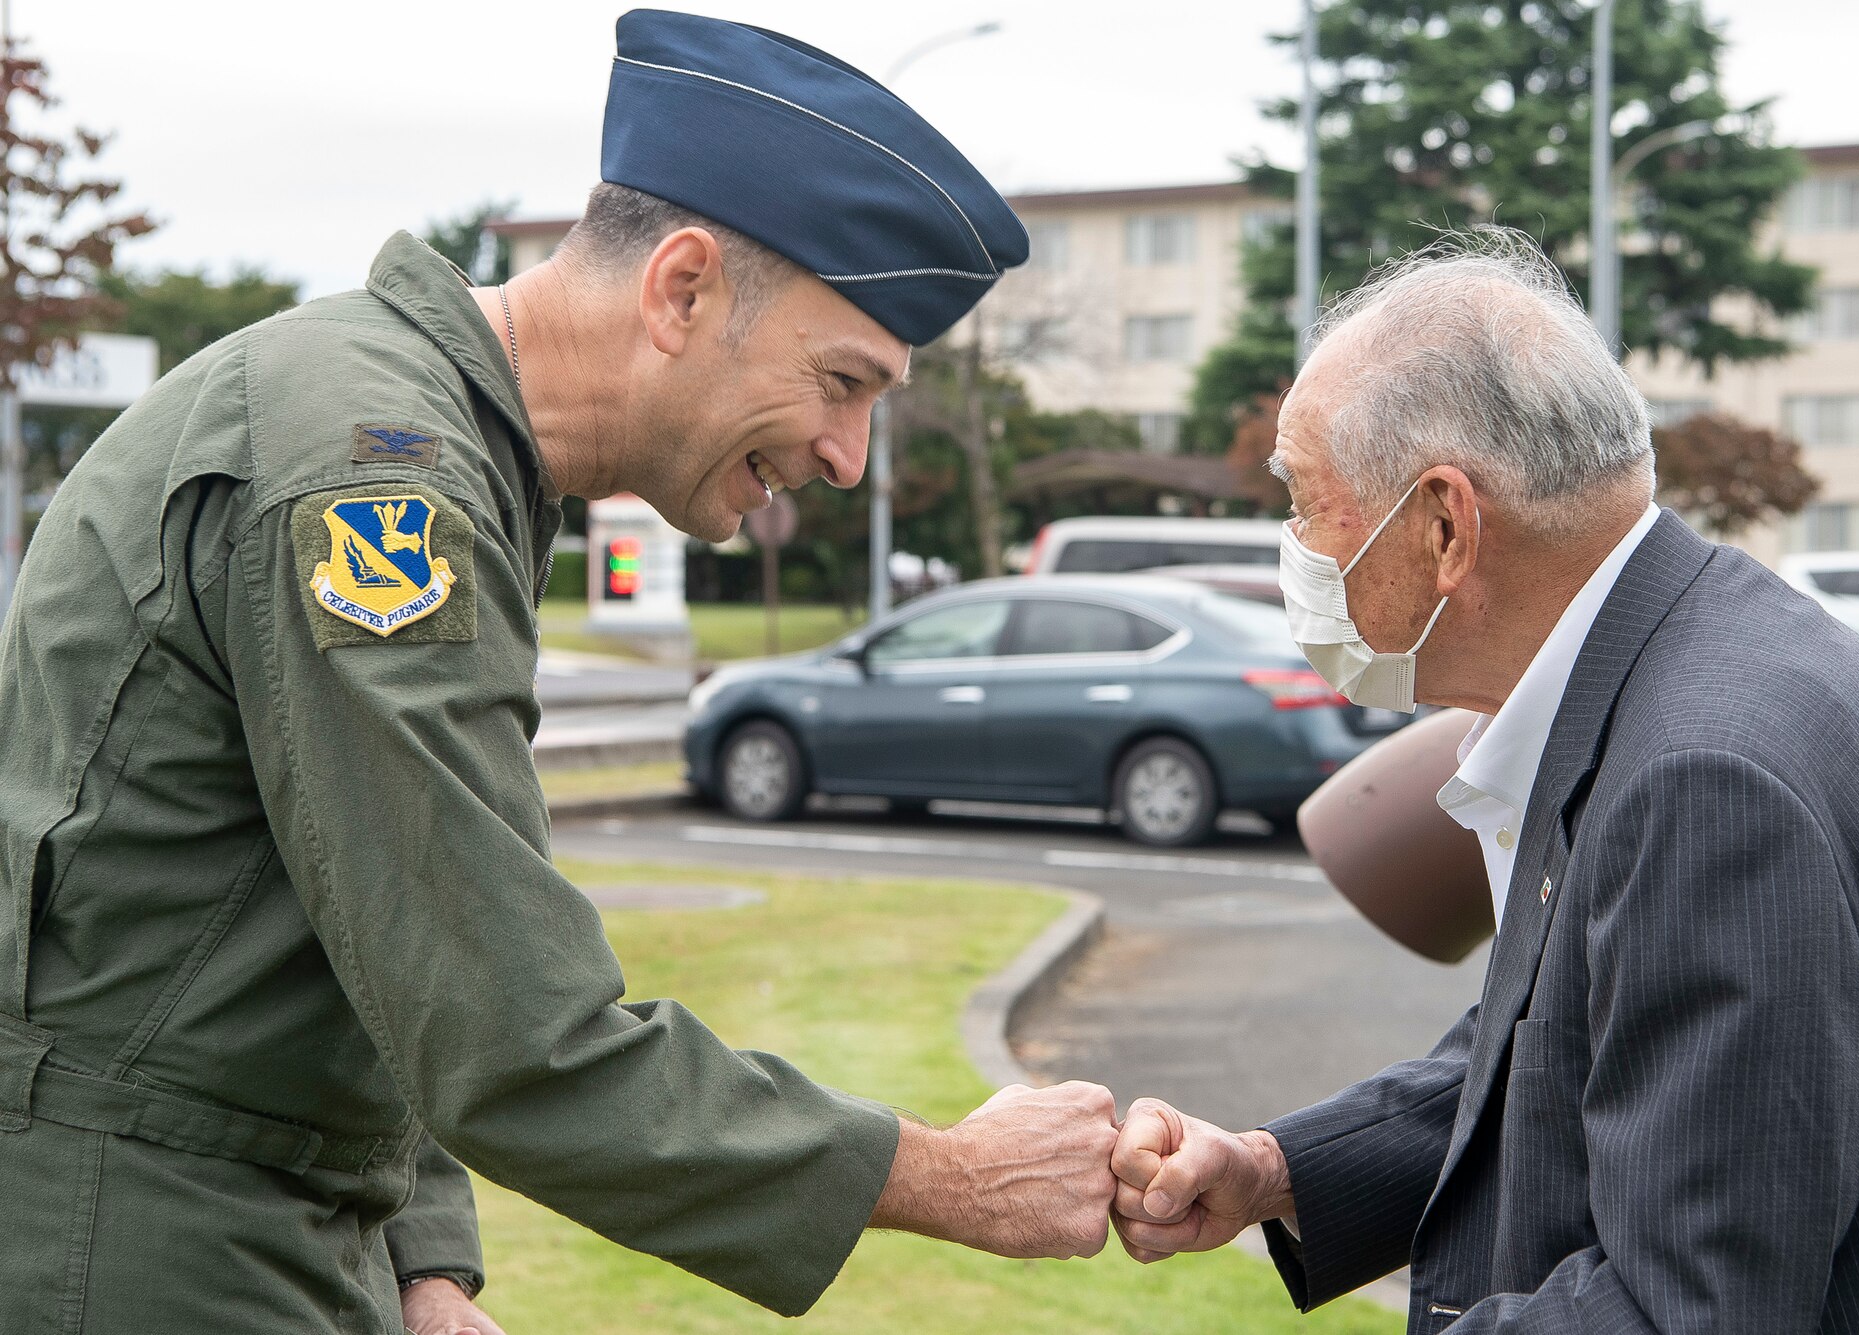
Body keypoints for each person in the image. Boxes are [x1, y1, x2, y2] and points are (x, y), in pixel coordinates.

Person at [0, 12, 1120, 1334]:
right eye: (841, 380)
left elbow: (377, 921)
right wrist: (949, 1174)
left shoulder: (428, 433)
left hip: (227, 1208)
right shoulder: (378, 475)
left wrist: (422, 1249)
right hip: (137, 1233)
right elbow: (509, 1026)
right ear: (682, 288)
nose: (849, 457)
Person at [1107, 231, 1859, 1331]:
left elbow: (1689, 1309)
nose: (1290, 543)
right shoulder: (1679, 664)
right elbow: (1555, 1048)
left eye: (1302, 500)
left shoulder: (1703, 779)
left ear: (1442, 524)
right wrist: (1270, 1169)